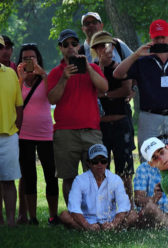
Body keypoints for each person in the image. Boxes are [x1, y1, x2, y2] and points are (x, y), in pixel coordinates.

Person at [114, 19, 168, 161]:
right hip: (150, 117)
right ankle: (151, 184)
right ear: (151, 38)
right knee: (149, 160)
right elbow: (117, 74)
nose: (160, 41)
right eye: (156, 37)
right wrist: (136, 54)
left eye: (163, 37)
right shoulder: (141, 61)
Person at [47, 29, 108, 206]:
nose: (70, 48)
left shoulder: (93, 68)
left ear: (79, 46)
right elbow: (52, 98)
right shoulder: (56, 73)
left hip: (91, 131)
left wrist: (88, 68)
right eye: (66, 45)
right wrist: (64, 78)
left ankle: (96, 214)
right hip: (65, 133)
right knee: (69, 177)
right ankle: (74, 214)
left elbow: (104, 87)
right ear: (60, 48)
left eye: (74, 44)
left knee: (97, 174)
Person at [16, 43, 59, 226]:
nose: (28, 61)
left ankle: (52, 216)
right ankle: (32, 217)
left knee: (51, 175)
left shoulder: (45, 78)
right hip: (24, 134)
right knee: (28, 176)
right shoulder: (18, 80)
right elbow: (13, 99)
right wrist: (20, 78)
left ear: (38, 59)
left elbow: (52, 97)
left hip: (46, 135)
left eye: (32, 57)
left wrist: (43, 74)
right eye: (25, 58)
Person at [90, 31, 135, 206]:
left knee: (124, 169)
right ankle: (104, 209)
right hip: (100, 126)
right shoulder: (92, 69)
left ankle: (127, 207)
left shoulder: (120, 67)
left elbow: (126, 89)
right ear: (94, 49)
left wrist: (106, 94)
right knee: (100, 168)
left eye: (106, 45)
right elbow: (93, 90)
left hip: (121, 123)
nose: (104, 49)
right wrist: (99, 66)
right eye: (99, 46)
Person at [59, 144, 137, 230]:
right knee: (64, 215)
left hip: (110, 220)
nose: (100, 164)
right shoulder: (79, 180)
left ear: (107, 162)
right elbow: (74, 208)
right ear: (88, 163)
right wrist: (87, 225)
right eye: (95, 161)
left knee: (133, 215)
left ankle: (106, 229)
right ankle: (87, 229)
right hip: (87, 220)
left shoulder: (115, 179)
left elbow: (124, 205)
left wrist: (113, 224)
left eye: (103, 161)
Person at [133, 134, 168, 231]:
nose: (162, 158)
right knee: (151, 207)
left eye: (162, 152)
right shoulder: (144, 169)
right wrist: (153, 198)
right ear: (150, 162)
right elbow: (138, 200)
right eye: (155, 157)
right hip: (152, 215)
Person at [0, 35, 23, 227]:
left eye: (6, 47)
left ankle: (10, 222)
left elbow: (18, 106)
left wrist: (17, 130)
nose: (3, 51)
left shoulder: (11, 73)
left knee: (9, 181)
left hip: (8, 136)